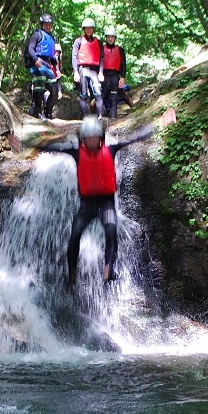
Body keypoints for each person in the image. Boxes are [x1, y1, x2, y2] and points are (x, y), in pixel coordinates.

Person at [39, 111, 176, 286]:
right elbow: (53, 148)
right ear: (83, 140)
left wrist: (158, 125)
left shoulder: (111, 150)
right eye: (87, 138)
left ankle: (108, 272)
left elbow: (136, 137)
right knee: (74, 237)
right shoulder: (77, 154)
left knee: (111, 232)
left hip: (107, 204)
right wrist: (25, 144)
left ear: (100, 138)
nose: (91, 141)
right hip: (86, 205)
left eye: (94, 138)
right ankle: (72, 276)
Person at [71, 18, 105, 118]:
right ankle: (85, 117)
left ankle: (100, 116)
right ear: (84, 29)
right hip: (83, 69)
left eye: (90, 28)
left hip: (94, 70)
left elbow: (102, 58)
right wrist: (76, 72)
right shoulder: (78, 41)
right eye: (87, 28)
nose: (89, 30)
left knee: (98, 93)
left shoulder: (99, 42)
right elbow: (74, 57)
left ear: (93, 29)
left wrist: (101, 72)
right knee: (83, 94)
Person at [26, 14, 57, 120]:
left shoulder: (51, 37)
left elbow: (53, 56)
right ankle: (37, 113)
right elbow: (30, 48)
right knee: (39, 89)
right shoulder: (37, 34)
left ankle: (48, 113)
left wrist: (57, 69)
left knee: (54, 91)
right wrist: (35, 59)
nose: (48, 26)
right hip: (39, 63)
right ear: (42, 24)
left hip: (48, 65)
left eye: (50, 24)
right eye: (46, 24)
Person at [100, 27, 127, 119]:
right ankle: (99, 117)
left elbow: (123, 64)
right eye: (108, 37)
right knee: (100, 97)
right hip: (104, 75)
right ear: (106, 38)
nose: (110, 39)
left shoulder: (120, 50)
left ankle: (112, 119)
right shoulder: (101, 49)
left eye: (112, 37)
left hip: (115, 76)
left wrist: (122, 77)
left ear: (115, 38)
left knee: (114, 98)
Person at [44, 42, 65, 120]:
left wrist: (59, 90)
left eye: (58, 52)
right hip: (45, 82)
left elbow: (59, 78)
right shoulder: (46, 62)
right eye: (55, 52)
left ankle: (48, 113)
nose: (56, 54)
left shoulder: (58, 65)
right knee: (45, 95)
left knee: (54, 94)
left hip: (53, 83)